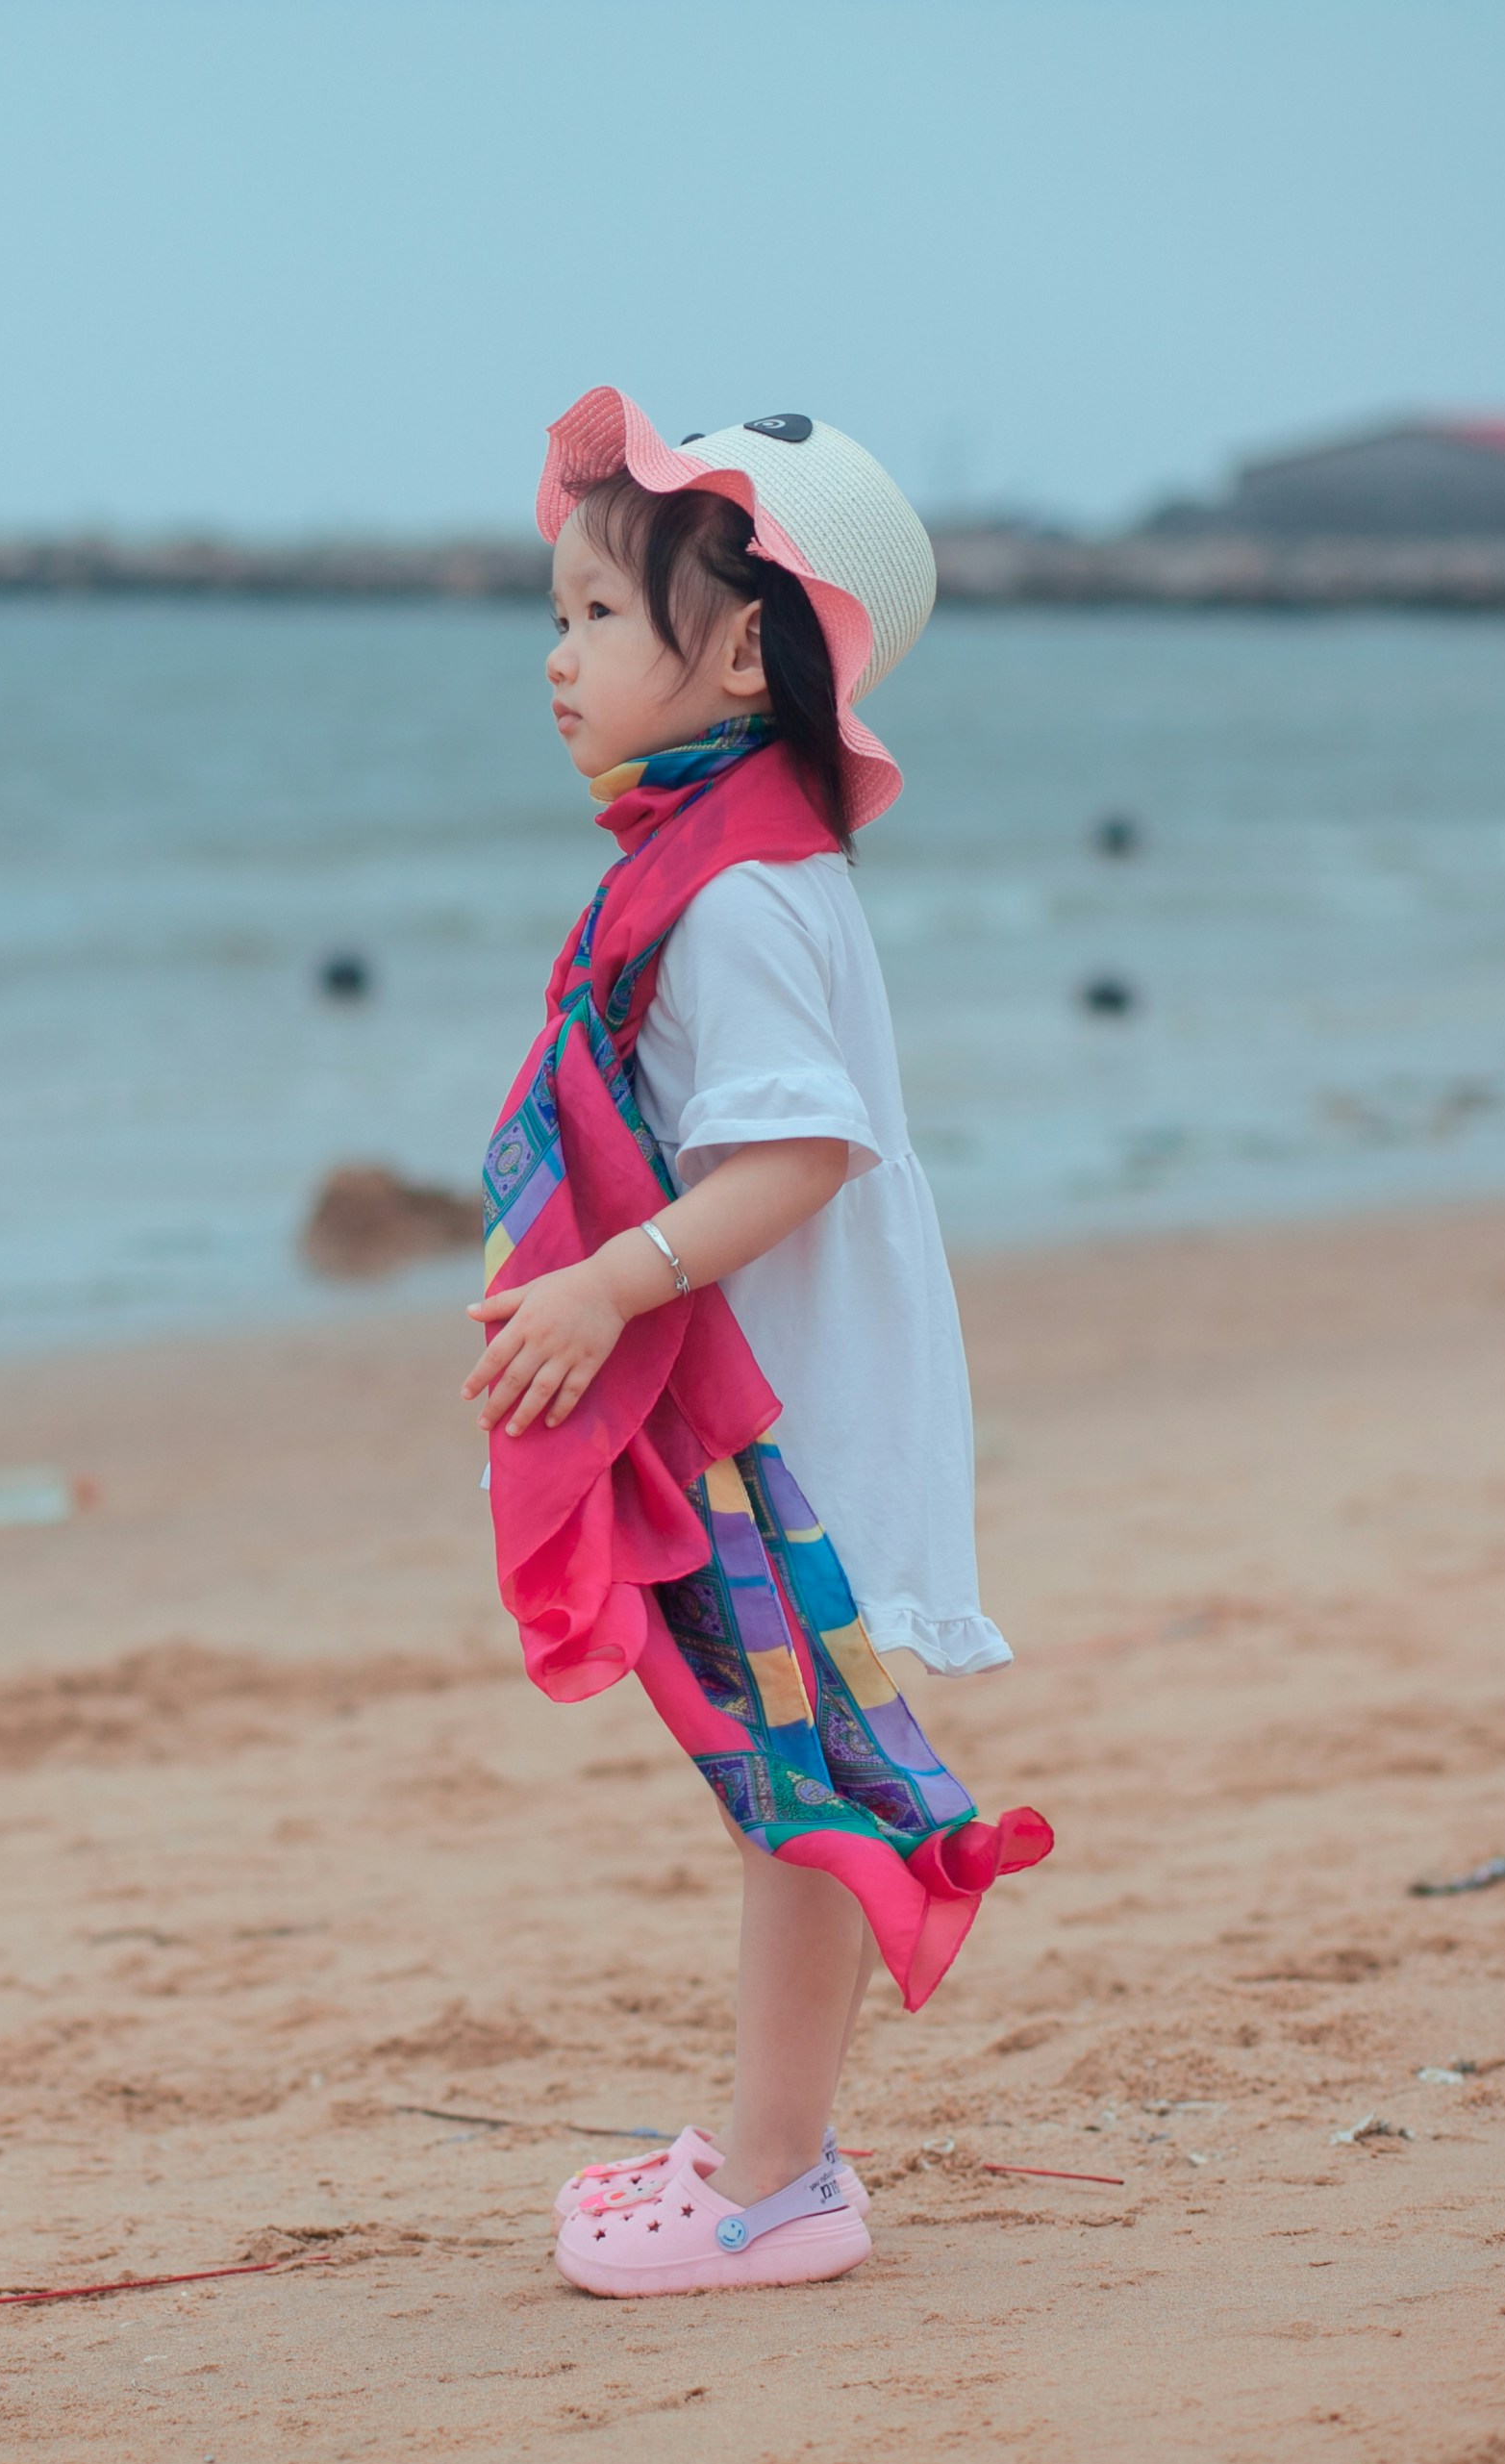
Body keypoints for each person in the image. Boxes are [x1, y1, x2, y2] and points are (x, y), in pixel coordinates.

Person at [464, 389, 1050, 2297]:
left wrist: (606, 1281)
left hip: (784, 1419)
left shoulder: (729, 896)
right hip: (776, 1403)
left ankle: (781, 2185)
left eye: (595, 620)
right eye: (549, 617)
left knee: (791, 1794)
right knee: (774, 1782)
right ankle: (774, 2145)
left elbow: (798, 1147)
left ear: (733, 651)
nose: (555, 660)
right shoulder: (740, 849)